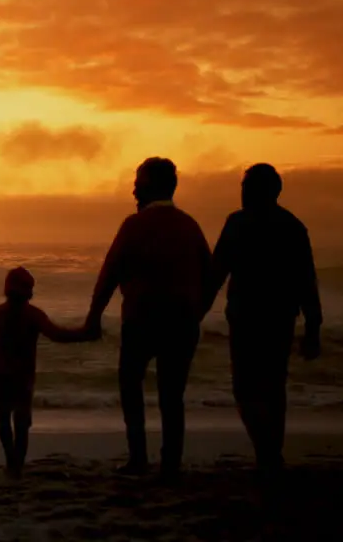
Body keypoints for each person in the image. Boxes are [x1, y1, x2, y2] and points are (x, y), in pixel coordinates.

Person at [84, 157, 212, 481]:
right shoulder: (189, 225)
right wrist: (197, 310)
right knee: (172, 395)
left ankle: (138, 458)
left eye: (138, 183)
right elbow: (210, 276)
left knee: (131, 386)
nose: (133, 188)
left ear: (151, 186)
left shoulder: (134, 225)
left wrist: (94, 317)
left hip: (142, 319)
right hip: (182, 322)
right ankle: (171, 463)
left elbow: (109, 273)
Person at [206, 163, 322, 483]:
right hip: (279, 318)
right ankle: (270, 454)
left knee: (245, 389)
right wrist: (313, 326)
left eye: (247, 186)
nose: (242, 192)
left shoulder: (238, 224)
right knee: (273, 388)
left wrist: (195, 313)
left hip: (247, 318)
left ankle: (267, 454)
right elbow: (306, 282)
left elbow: (216, 274)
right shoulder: (292, 226)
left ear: (262, 190)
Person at [0, 266, 95, 478]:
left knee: (6, 419)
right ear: (28, 292)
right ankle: (16, 464)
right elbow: (57, 335)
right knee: (20, 422)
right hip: (20, 375)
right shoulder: (33, 315)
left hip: (4, 374)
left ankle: (12, 462)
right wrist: (84, 334)